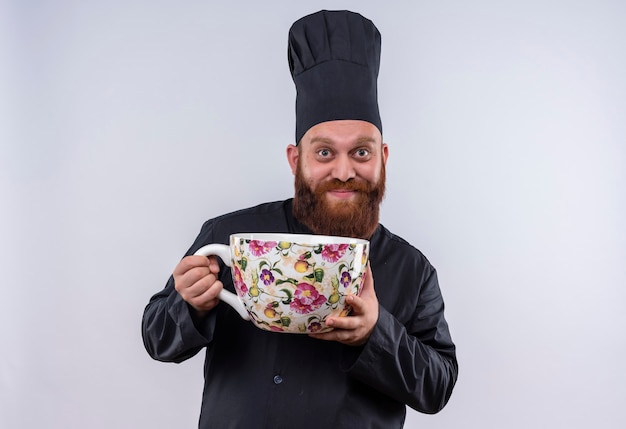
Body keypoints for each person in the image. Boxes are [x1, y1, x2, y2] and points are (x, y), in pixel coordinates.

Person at [142, 10, 457, 429]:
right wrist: (189, 305)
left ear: (382, 159)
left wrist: (375, 332)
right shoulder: (229, 239)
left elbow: (438, 386)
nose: (344, 170)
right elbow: (158, 339)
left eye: (361, 152)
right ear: (296, 161)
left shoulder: (413, 270)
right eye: (324, 152)